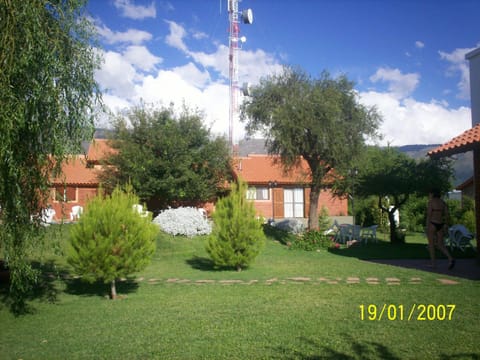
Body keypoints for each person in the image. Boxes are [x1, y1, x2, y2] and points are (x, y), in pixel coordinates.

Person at [426, 189, 455, 269]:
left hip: (432, 223)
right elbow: (447, 215)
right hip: (440, 224)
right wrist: (446, 224)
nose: (429, 195)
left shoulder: (431, 202)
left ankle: (433, 264)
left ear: (432, 194)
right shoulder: (443, 203)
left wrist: (427, 226)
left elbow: (429, 215)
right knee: (440, 244)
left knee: (431, 245)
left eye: (430, 194)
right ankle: (450, 258)